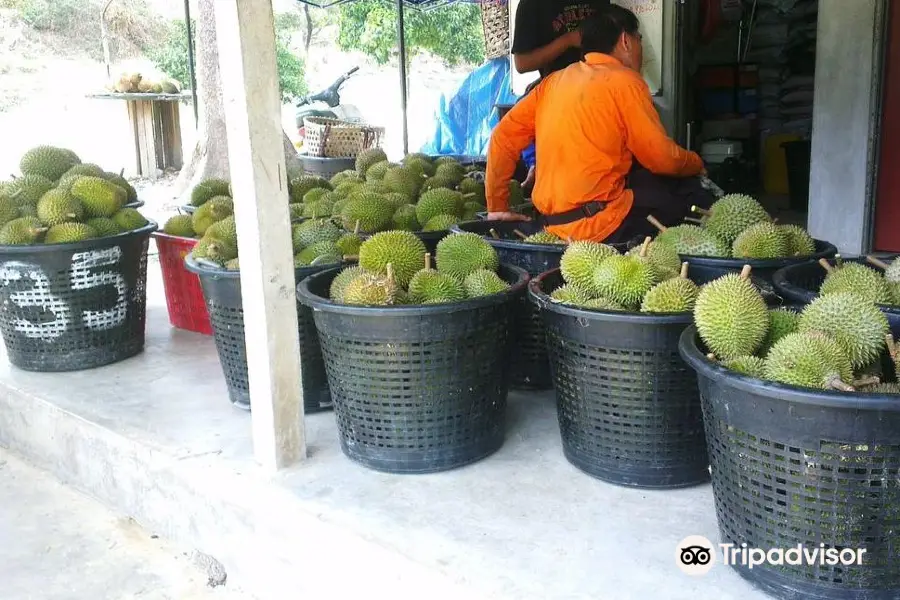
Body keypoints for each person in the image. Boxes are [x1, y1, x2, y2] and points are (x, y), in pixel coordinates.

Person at [486, 5, 712, 244]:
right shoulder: (626, 82)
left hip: (552, 226)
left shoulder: (553, 82)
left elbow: (502, 136)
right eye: (640, 40)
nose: (641, 49)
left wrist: (496, 206)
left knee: (642, 181)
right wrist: (696, 162)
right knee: (688, 192)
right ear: (626, 41)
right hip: (600, 226)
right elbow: (661, 159)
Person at [512, 0, 611, 78]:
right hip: (559, 85)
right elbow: (522, 63)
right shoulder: (531, 4)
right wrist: (568, 40)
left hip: (603, 77)